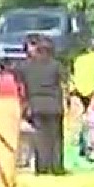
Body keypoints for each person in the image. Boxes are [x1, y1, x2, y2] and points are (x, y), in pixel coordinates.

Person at [18, 35, 67, 175]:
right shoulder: (56, 65)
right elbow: (64, 84)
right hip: (54, 104)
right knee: (56, 137)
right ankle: (57, 166)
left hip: (35, 105)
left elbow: (20, 83)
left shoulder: (26, 66)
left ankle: (43, 166)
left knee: (40, 138)